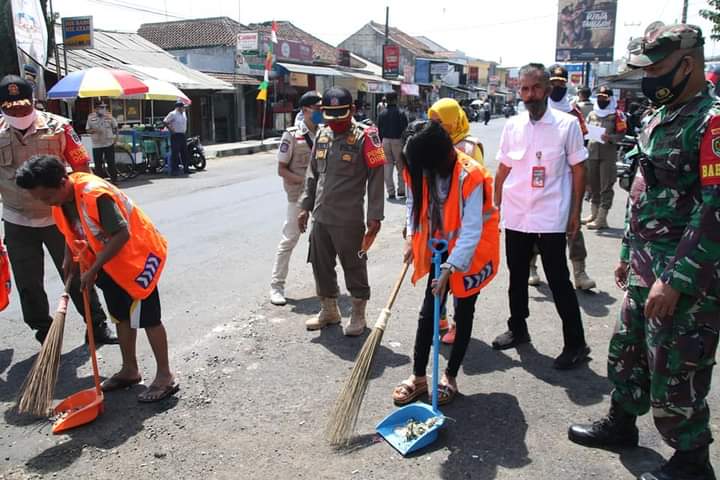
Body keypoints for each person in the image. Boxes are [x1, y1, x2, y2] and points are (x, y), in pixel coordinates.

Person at [569, 23, 719, 480]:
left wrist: (675, 279)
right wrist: (629, 251)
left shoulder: (712, 123)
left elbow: (715, 209)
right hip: (643, 267)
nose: (648, 77)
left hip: (685, 276)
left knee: (676, 367)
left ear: (687, 65)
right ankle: (622, 423)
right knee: (628, 351)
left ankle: (692, 460)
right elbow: (643, 189)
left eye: (656, 67)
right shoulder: (659, 115)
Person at [16, 155, 179, 403]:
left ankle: (165, 376)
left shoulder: (95, 194)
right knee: (120, 316)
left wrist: (93, 269)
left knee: (148, 318)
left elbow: (121, 234)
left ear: (62, 182)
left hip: (137, 261)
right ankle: (129, 369)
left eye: (46, 197)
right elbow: (74, 229)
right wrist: (69, 255)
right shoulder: (59, 200)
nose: (44, 203)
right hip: (111, 267)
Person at [0, 75, 116, 345]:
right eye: (10, 108)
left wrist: (83, 215)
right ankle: (44, 332)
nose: (17, 112)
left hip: (60, 218)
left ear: (34, 101)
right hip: (17, 219)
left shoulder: (59, 128)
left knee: (76, 274)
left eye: (22, 106)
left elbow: (82, 169)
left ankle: (96, 325)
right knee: (28, 284)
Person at [391, 120, 499, 406]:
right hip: (440, 249)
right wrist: (411, 237)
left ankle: (449, 376)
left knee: (463, 312)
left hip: (471, 252)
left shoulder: (470, 176)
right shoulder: (418, 166)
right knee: (429, 312)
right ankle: (418, 378)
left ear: (439, 158)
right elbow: (413, 204)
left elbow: (472, 229)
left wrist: (452, 268)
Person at [491, 63, 591, 370]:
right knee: (517, 276)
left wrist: (575, 212)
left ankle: (576, 343)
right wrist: (495, 205)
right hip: (518, 213)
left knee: (559, 279)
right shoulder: (513, 125)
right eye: (524, 88)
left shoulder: (567, 125)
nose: (529, 94)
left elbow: (578, 169)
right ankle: (518, 329)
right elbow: (504, 167)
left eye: (535, 88)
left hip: (550, 215)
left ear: (547, 90)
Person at [298, 87, 385, 336]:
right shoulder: (322, 134)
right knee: (319, 263)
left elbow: (377, 175)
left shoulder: (367, 137)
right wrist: (305, 206)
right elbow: (313, 173)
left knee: (354, 265)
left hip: (349, 218)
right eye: (330, 115)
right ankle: (329, 310)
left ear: (352, 111)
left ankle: (358, 314)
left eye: (340, 115)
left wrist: (375, 215)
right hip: (321, 215)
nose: (335, 122)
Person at [532, 64, 595, 290]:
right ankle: (532, 266)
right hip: (540, 180)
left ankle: (579, 272)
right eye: (554, 83)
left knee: (573, 226)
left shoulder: (574, 113)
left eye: (561, 83)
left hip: (566, 180)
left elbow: (581, 152)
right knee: (534, 226)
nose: (558, 87)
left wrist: (582, 184)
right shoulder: (536, 109)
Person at [427, 97, 485, 344]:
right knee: (437, 274)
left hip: (463, 226)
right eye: (432, 122)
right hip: (439, 226)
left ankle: (457, 325)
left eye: (440, 122)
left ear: (453, 120)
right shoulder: (432, 144)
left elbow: (475, 189)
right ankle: (438, 318)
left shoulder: (470, 147)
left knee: (459, 276)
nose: (435, 127)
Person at [269, 91, 322, 306]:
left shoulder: (325, 132)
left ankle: (325, 287)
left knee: (323, 243)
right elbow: (281, 169)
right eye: (318, 108)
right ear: (306, 109)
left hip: (321, 196)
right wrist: (305, 181)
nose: (322, 112)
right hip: (298, 196)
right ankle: (276, 286)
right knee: (290, 239)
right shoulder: (292, 135)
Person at [582, 86, 623, 230]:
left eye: (604, 97)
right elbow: (586, 131)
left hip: (607, 154)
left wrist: (610, 138)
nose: (601, 100)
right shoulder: (592, 113)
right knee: (593, 185)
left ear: (610, 99)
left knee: (606, 186)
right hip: (592, 153)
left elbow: (622, 135)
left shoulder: (617, 115)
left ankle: (602, 218)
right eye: (599, 97)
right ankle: (593, 214)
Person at [377, 92, 408, 200]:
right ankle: (401, 190)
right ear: (396, 99)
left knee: (387, 166)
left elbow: (379, 129)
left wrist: (381, 142)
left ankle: (391, 192)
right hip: (397, 141)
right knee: (401, 166)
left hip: (385, 141)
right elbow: (405, 130)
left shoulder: (382, 114)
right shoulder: (401, 113)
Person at [86, 102, 119, 184]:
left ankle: (114, 180)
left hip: (108, 142)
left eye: (104, 107)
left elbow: (115, 127)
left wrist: (116, 138)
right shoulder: (91, 117)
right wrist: (94, 130)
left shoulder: (109, 116)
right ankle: (100, 182)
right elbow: (87, 130)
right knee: (98, 164)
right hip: (97, 144)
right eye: (101, 107)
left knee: (111, 162)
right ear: (96, 108)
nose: (103, 109)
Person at [163, 101, 190, 175]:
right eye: (182, 107)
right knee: (175, 153)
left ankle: (186, 168)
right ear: (178, 107)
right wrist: (170, 129)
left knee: (184, 152)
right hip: (175, 135)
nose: (183, 108)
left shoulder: (184, 113)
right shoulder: (173, 114)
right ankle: (175, 170)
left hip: (183, 134)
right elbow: (165, 121)